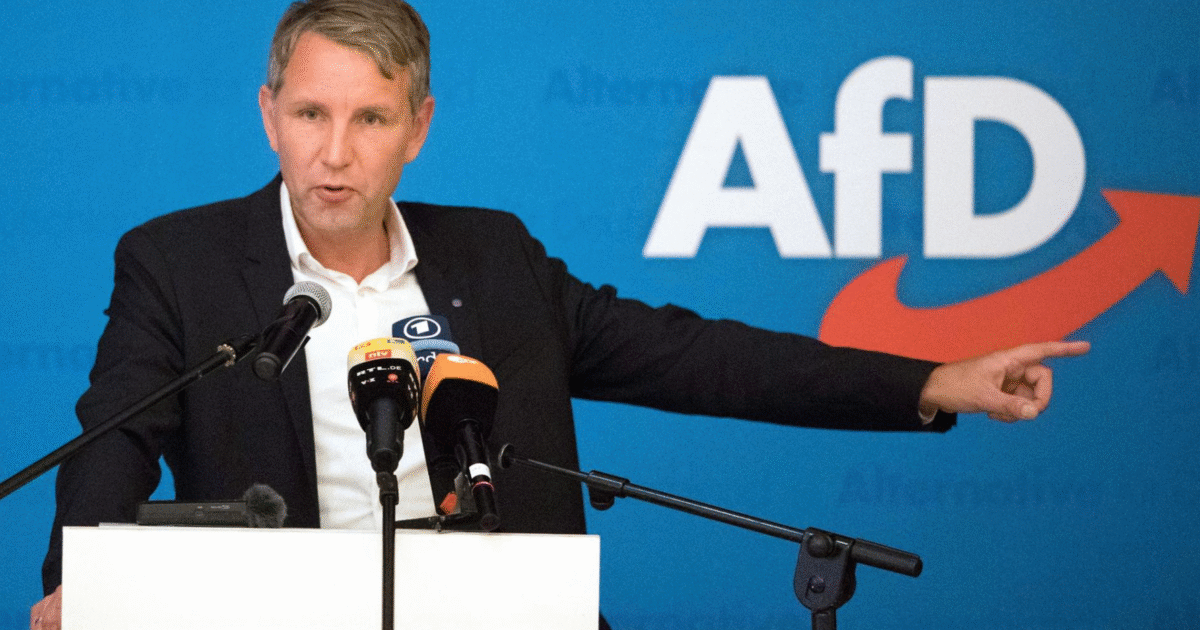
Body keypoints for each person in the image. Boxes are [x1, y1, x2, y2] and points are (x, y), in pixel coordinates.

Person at [29, 1, 1089, 628]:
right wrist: (82, 583)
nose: (334, 151)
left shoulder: (493, 260)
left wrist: (927, 382)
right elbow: (117, 435)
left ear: (419, 128)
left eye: (369, 118)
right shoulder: (179, 262)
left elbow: (695, 359)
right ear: (269, 116)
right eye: (309, 113)